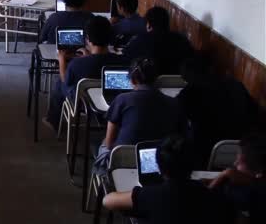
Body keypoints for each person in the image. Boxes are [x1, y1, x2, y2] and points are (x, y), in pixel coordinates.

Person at [103, 135, 235, 224]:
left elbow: (107, 201)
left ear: (159, 167)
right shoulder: (215, 197)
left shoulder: (150, 195)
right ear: (193, 165)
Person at [93, 58, 187, 175]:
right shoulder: (174, 103)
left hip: (122, 162)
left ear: (132, 80)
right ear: (157, 79)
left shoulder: (122, 100)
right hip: (158, 163)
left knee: (101, 144)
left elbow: (109, 142)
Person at [43, 16, 128, 131]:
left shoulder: (78, 63)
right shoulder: (122, 61)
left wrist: (62, 60)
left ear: (87, 39)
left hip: (82, 103)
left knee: (60, 83)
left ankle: (53, 120)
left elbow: (65, 80)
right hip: (112, 103)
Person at [177, 57, 257, 168]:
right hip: (242, 152)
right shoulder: (236, 85)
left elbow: (178, 120)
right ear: (210, 69)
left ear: (185, 78)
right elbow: (253, 114)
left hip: (204, 154)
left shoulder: (188, 94)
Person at [210, 133, 266, 224]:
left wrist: (224, 176)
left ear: (259, 173)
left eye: (239, 162)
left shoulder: (242, 193)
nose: (235, 164)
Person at [123, 6, 194, 74]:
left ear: (148, 25)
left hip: (149, 83)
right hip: (178, 84)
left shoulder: (142, 38)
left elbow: (126, 55)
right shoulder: (182, 40)